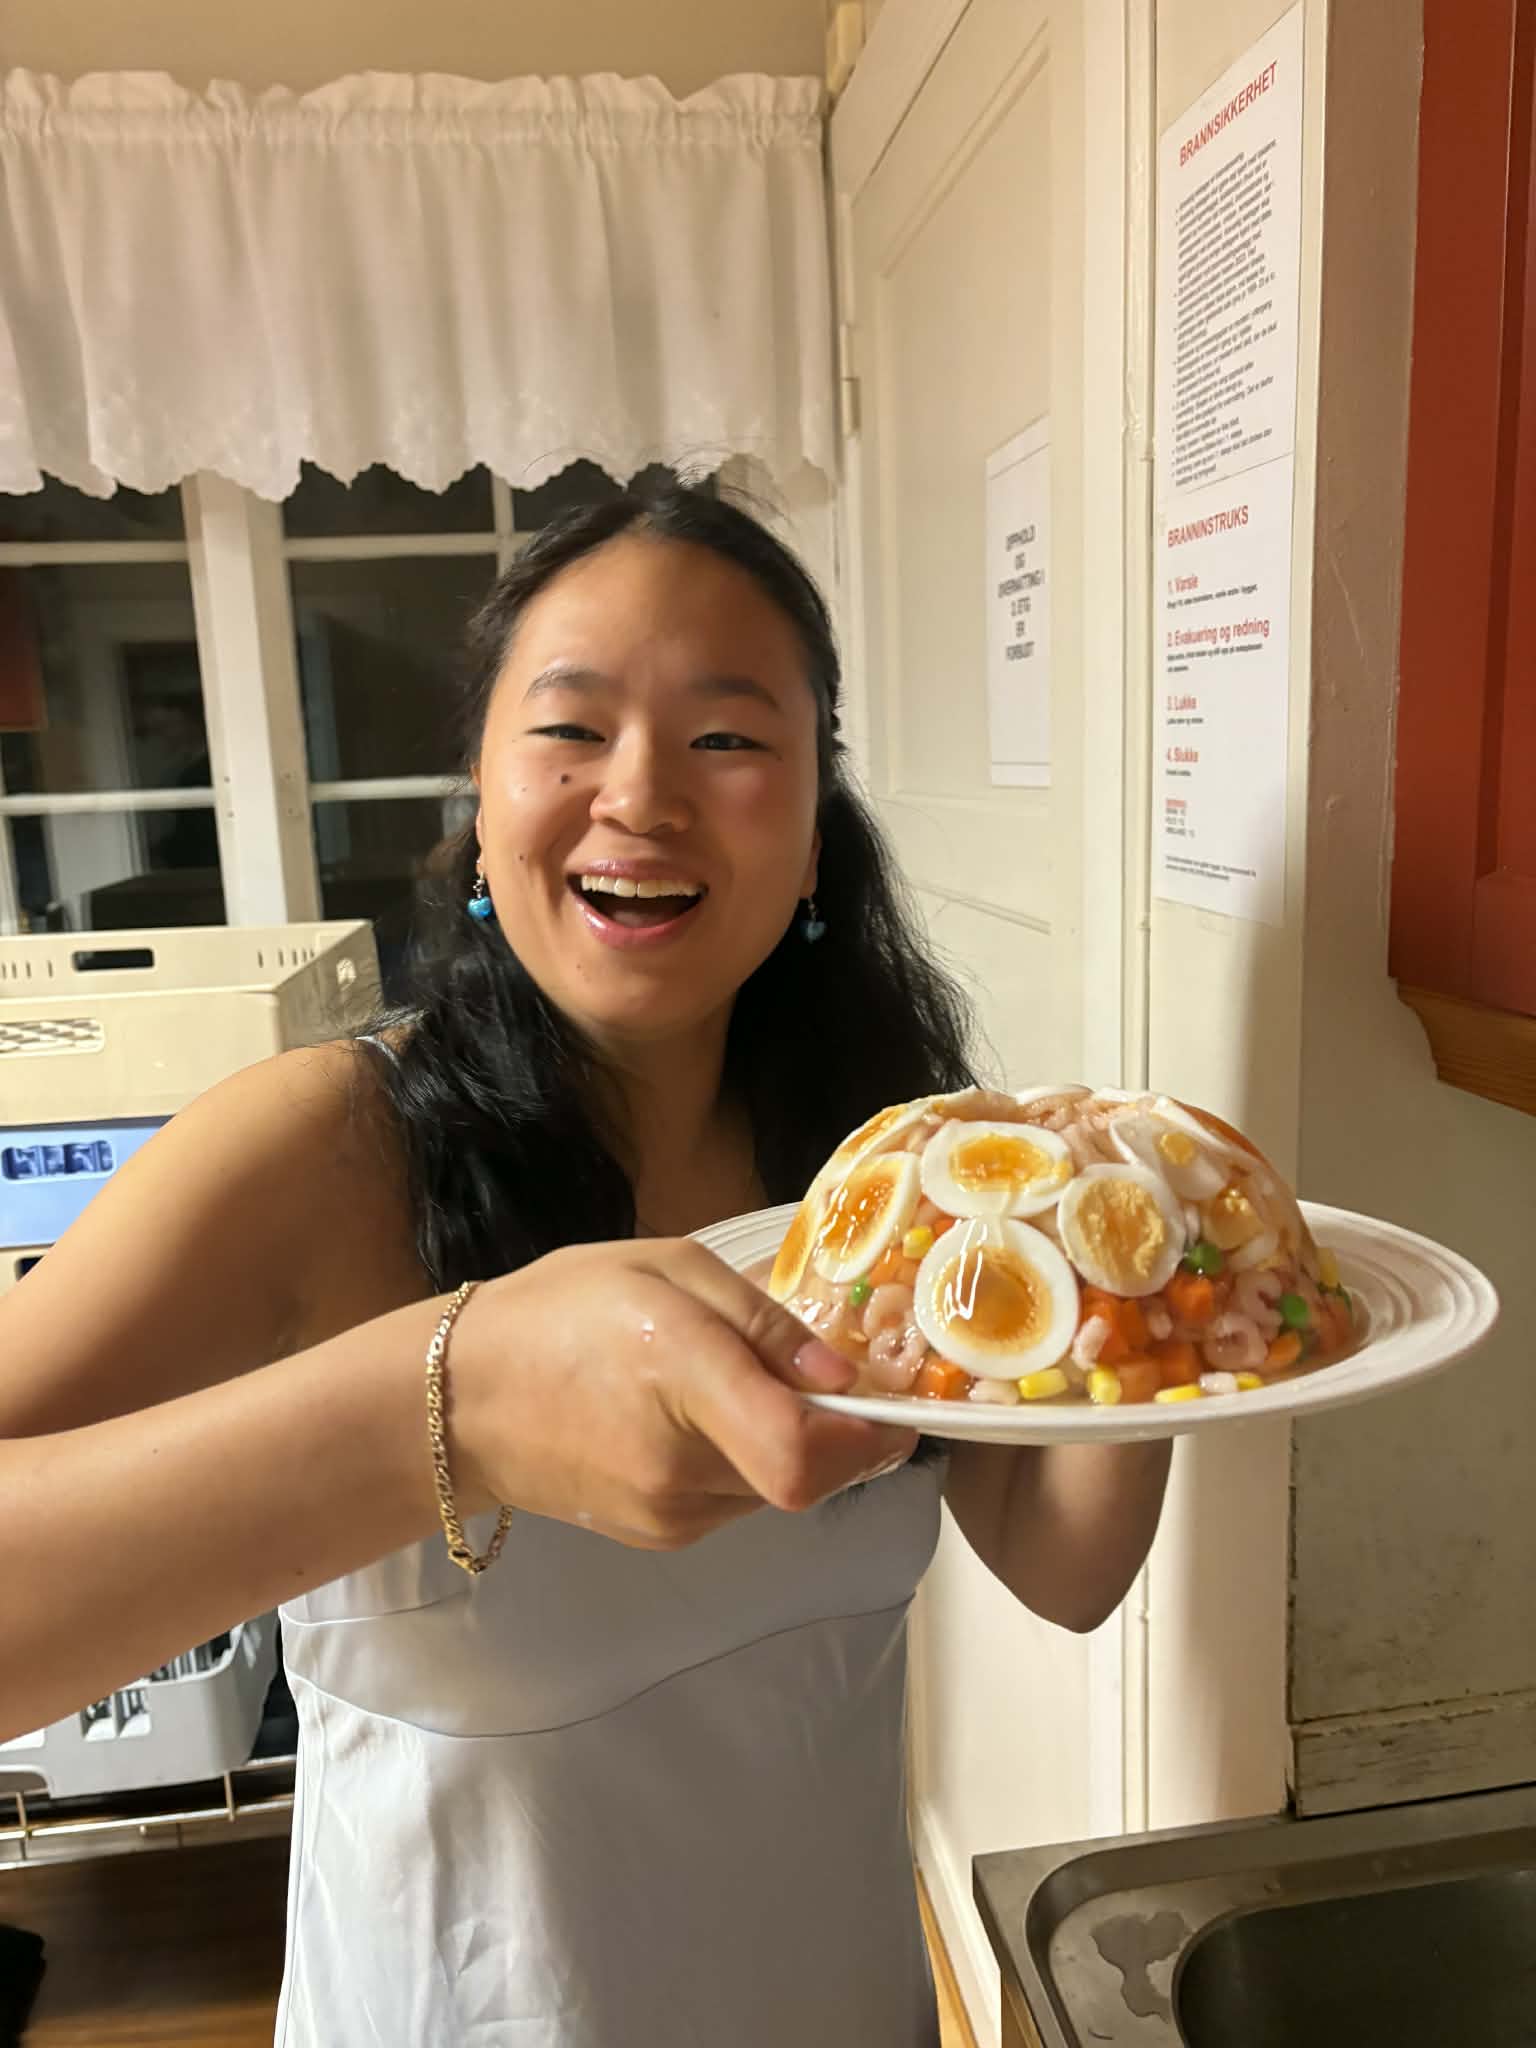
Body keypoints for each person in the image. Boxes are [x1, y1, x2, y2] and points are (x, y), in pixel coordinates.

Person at [0, 483, 1171, 2047]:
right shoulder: (323, 1148)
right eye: (570, 729)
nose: (642, 795)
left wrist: (1158, 1299)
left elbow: (1062, 1566)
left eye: (728, 738)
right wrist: (454, 1404)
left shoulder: (887, 1170)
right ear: (479, 807)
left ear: (815, 833)